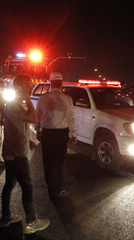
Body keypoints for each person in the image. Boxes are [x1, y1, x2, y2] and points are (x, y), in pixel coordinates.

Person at [1, 74, 50, 234]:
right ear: (20, 87)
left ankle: (6, 218)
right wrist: (27, 99)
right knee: (27, 186)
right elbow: (33, 117)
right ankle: (31, 221)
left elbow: (17, 126)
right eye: (28, 85)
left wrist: (28, 139)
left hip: (13, 150)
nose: (30, 88)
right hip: (16, 154)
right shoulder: (14, 104)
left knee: (9, 184)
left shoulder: (17, 103)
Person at [36, 72, 77, 200]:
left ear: (50, 82)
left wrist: (38, 130)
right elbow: (71, 118)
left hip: (47, 132)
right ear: (62, 83)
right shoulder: (67, 99)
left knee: (48, 161)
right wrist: (74, 134)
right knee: (59, 162)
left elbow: (38, 117)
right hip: (61, 133)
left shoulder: (42, 98)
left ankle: (50, 187)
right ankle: (57, 189)